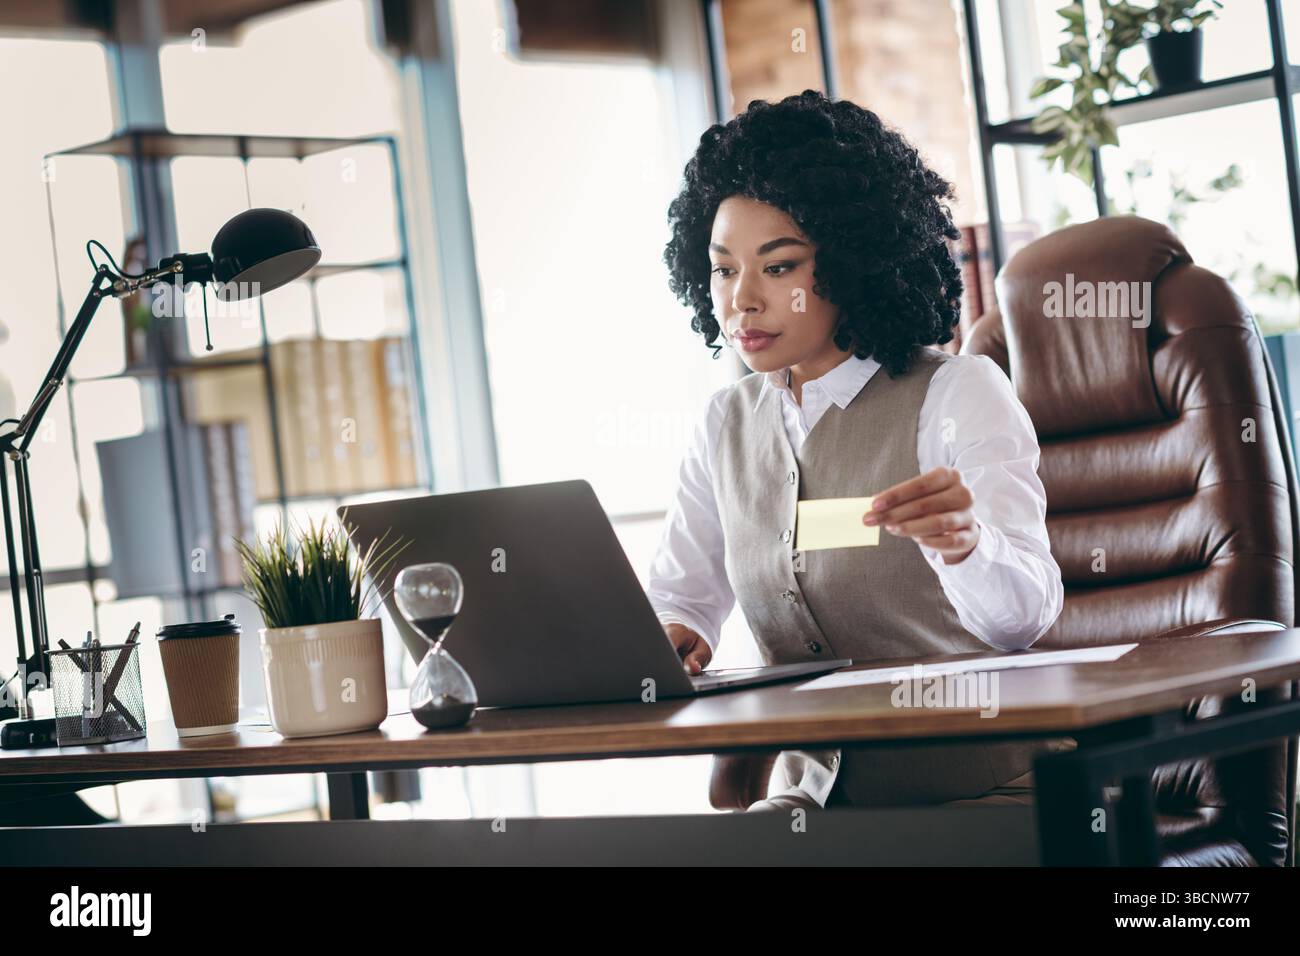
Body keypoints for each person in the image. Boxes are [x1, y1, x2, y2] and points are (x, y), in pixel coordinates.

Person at [647, 89, 1066, 811]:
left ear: (851, 264)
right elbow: (680, 599)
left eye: (778, 267)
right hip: (817, 802)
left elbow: (1025, 617)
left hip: (987, 791)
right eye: (723, 269)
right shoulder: (725, 424)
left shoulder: (957, 393)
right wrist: (673, 635)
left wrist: (966, 545)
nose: (742, 298)